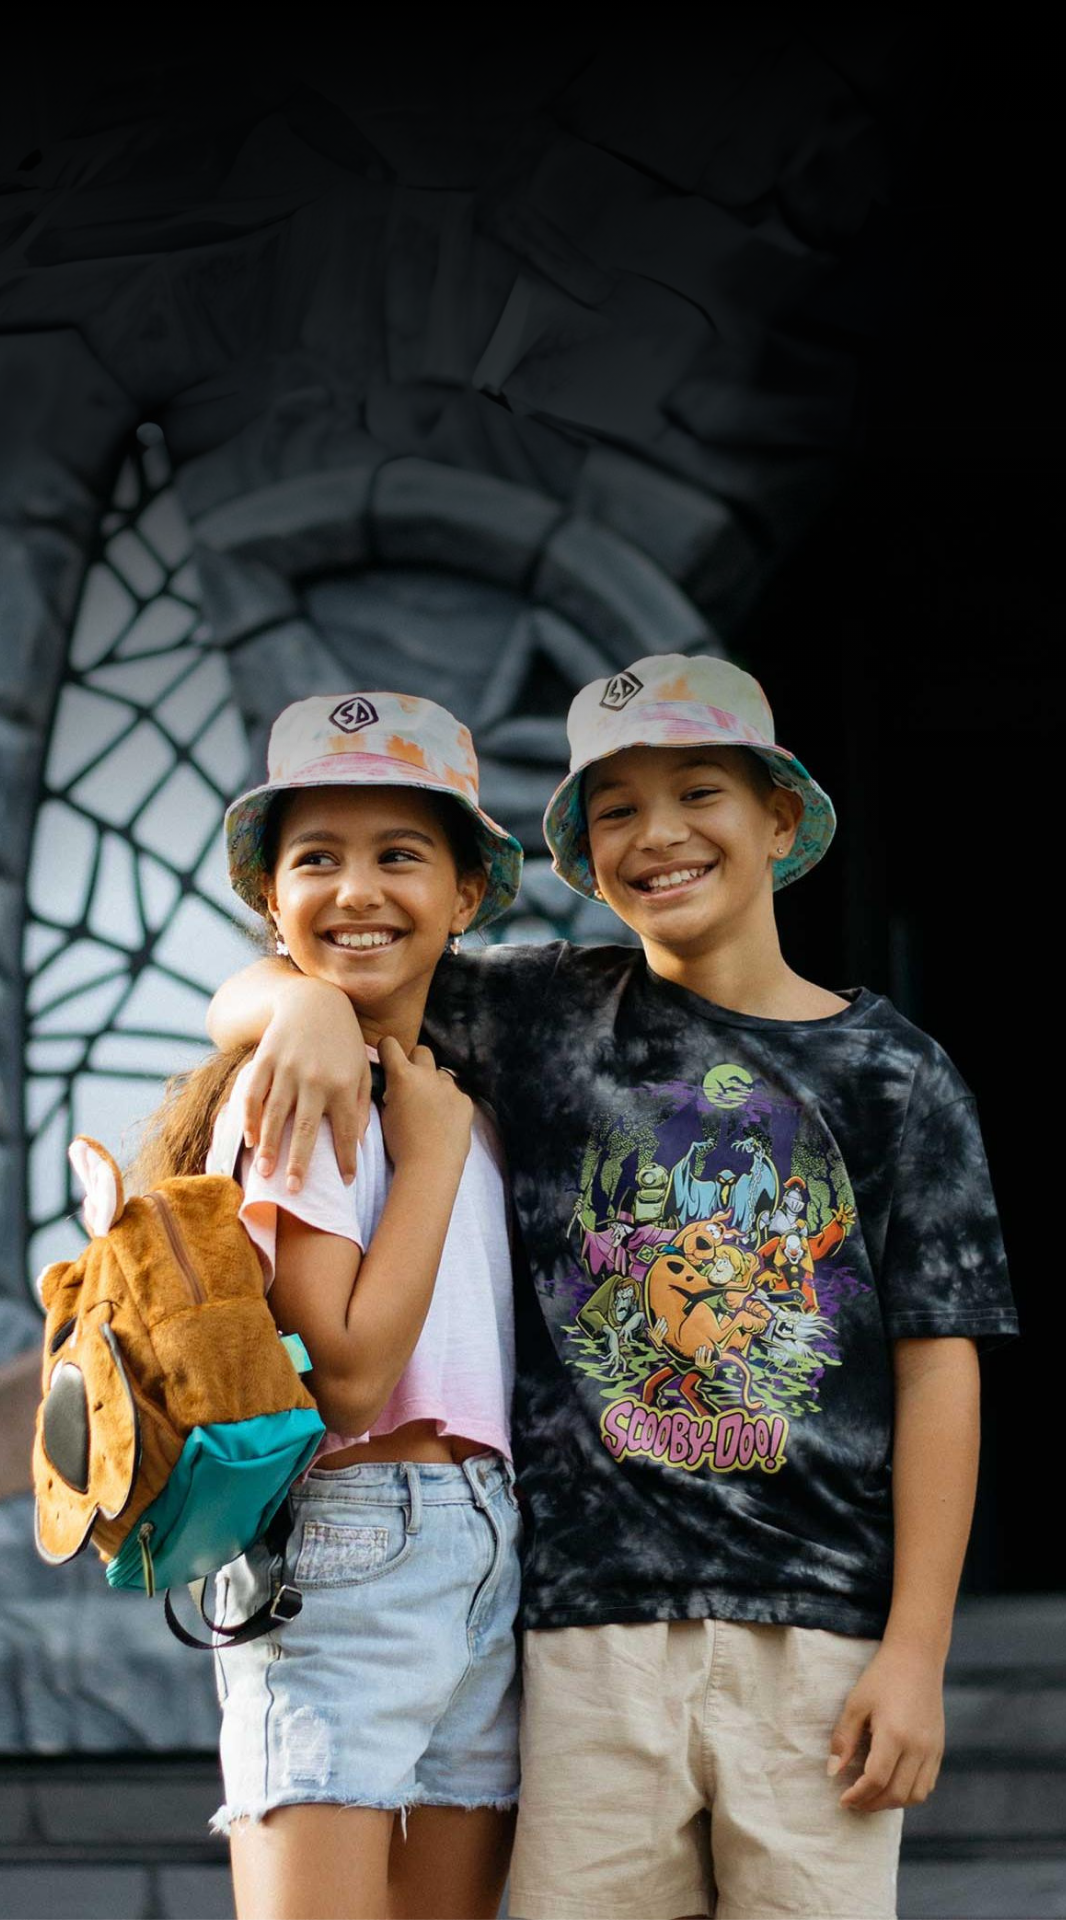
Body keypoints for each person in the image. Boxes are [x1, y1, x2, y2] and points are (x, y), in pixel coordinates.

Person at [209, 653, 1018, 1920]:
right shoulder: (536, 1016)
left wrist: (918, 1654)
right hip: (579, 1638)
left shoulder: (896, 1075)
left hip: (819, 1636)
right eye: (616, 810)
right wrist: (294, 1011)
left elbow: (938, 1368)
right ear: (585, 855)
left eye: (700, 790)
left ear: (780, 819)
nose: (660, 835)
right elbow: (355, 958)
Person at [136, 690, 525, 1920]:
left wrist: (444, 1131)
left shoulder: (442, 1096)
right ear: (271, 903)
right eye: (319, 859)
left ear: (466, 896)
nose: (357, 890)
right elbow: (348, 1375)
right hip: (352, 1539)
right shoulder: (309, 1092)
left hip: (486, 1549)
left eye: (400, 856)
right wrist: (436, 1150)